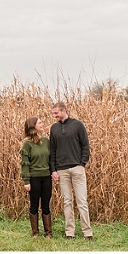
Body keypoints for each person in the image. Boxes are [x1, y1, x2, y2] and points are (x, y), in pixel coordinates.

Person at [49, 101, 93, 240]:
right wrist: (53, 170)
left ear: (63, 111)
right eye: (53, 113)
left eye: (56, 113)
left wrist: (82, 164)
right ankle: (70, 233)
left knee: (82, 201)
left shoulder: (78, 125)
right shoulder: (54, 128)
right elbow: (52, 150)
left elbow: (85, 146)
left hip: (77, 168)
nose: (54, 116)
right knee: (67, 201)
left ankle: (87, 232)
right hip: (61, 170)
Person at [20, 116, 52, 238]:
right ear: (33, 126)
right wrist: (26, 181)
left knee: (46, 204)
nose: (42, 124)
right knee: (34, 205)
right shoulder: (27, 144)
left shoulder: (46, 141)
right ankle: (35, 233)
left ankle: (48, 233)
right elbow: (25, 164)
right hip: (34, 178)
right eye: (40, 122)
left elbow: (50, 159)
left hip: (46, 177)